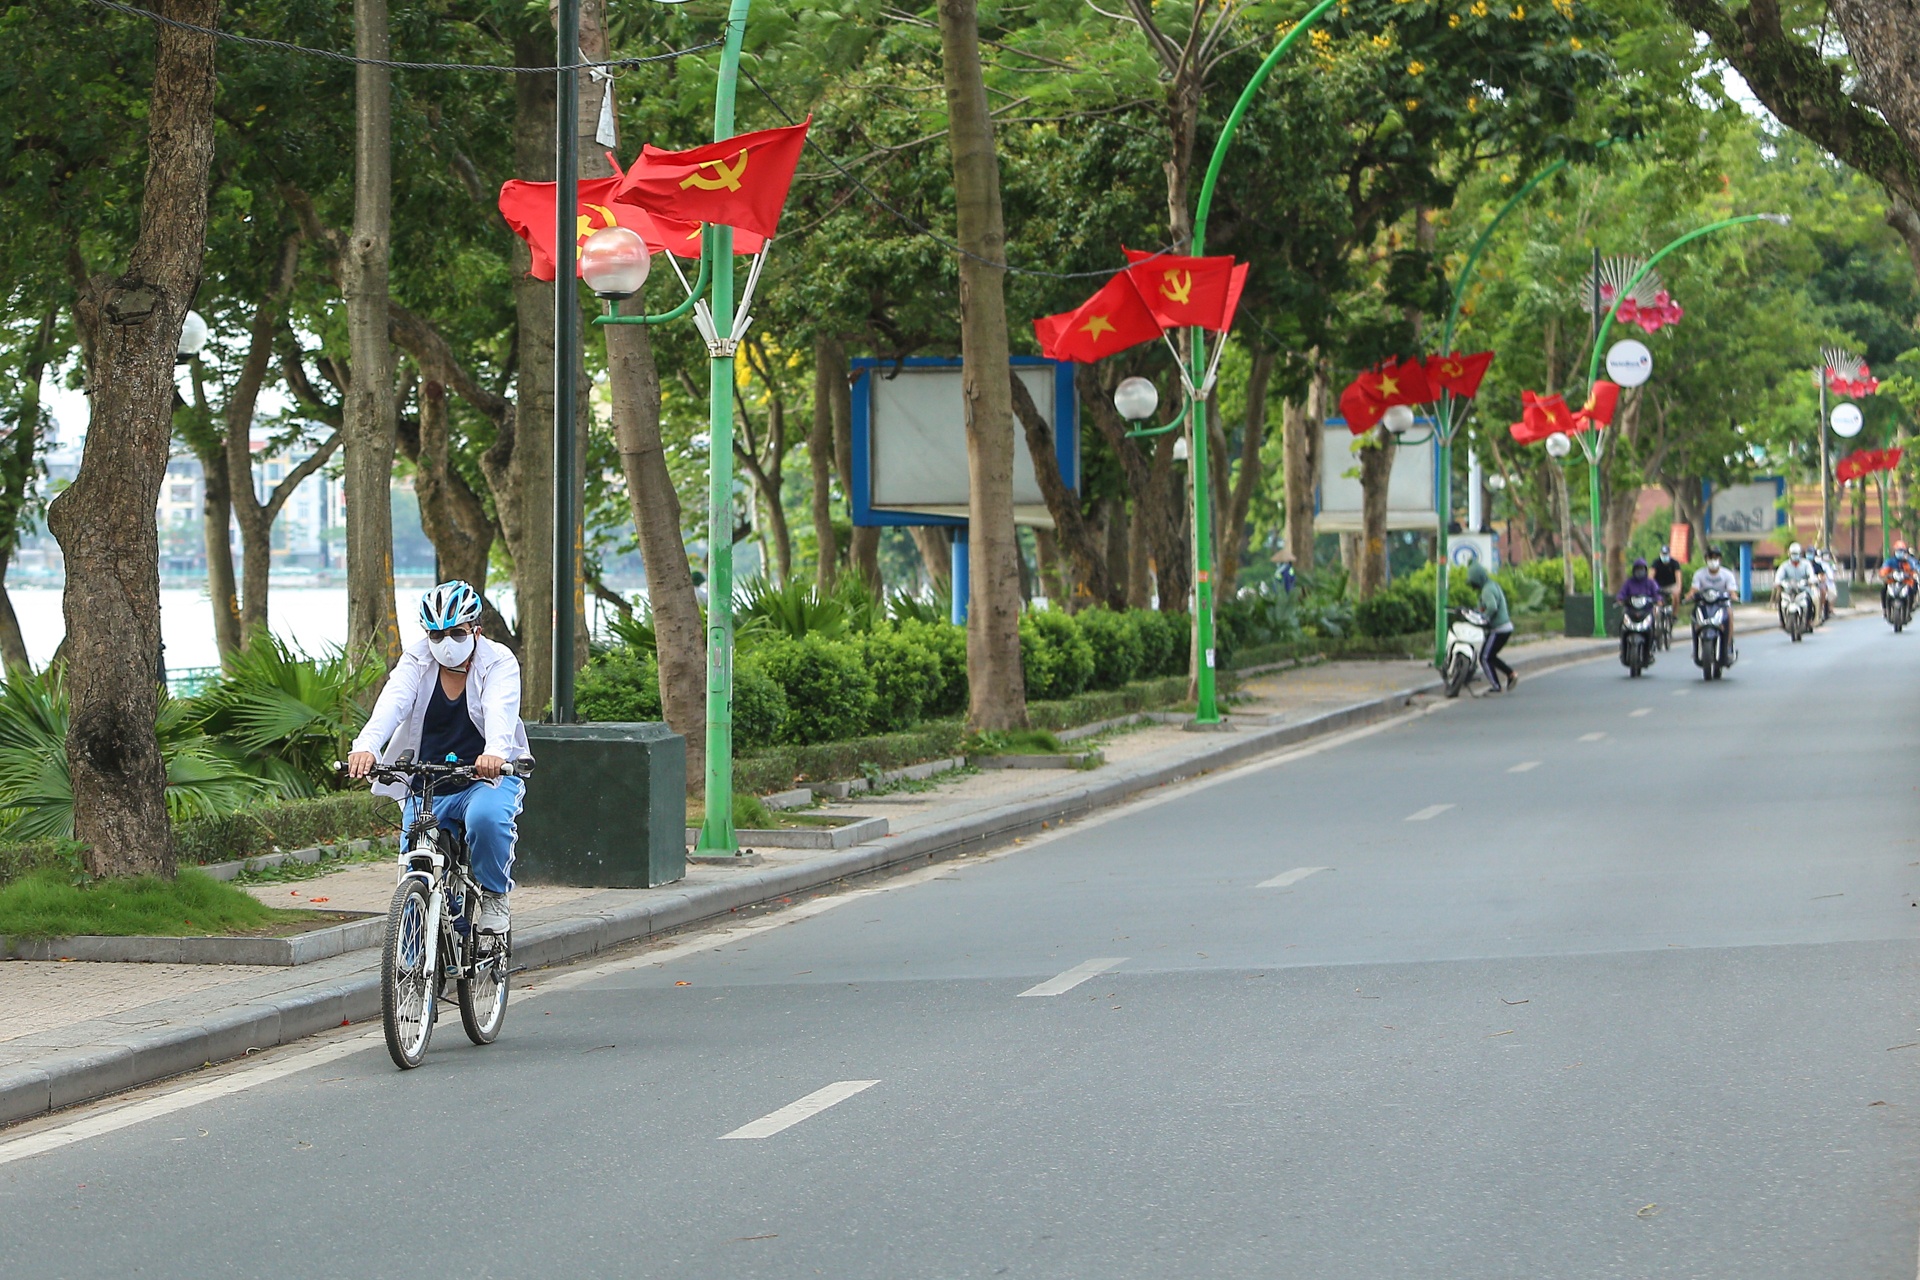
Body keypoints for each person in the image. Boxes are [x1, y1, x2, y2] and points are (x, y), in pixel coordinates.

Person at [347, 581, 529, 935]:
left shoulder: (499, 661)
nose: (446, 643)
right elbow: (392, 702)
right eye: (436, 634)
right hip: (427, 781)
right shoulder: (416, 659)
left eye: (456, 633)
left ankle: (494, 896)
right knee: (415, 860)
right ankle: (413, 960)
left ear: (476, 629)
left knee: (487, 820)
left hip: (484, 778)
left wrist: (493, 752)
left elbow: (499, 709)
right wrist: (366, 746)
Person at [1466, 564, 1516, 693]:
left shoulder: (1487, 590)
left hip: (1498, 629)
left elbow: (1492, 607)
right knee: (1491, 656)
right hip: (1506, 627)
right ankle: (1510, 674)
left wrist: (1484, 617)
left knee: (1484, 657)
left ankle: (1496, 685)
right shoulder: (1492, 585)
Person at [1690, 544, 1740, 659]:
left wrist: (1734, 597)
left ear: (1720, 559)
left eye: (1715, 557)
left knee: (1730, 614)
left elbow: (1732, 591)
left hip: (1721, 604)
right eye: (1710, 557)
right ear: (1706, 559)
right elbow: (1694, 590)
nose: (1713, 560)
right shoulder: (1699, 574)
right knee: (1694, 615)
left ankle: (1728, 646)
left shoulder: (1727, 574)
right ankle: (1696, 648)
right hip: (1704, 604)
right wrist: (1690, 596)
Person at [1650, 544, 1684, 615]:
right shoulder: (1656, 563)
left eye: (1666, 554)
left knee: (1676, 596)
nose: (1664, 556)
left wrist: (1678, 588)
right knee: (1654, 601)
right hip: (1658, 586)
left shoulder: (1674, 563)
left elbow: (1678, 577)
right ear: (1660, 554)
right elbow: (1650, 577)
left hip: (1671, 585)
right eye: (1663, 554)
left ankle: (1674, 615)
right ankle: (1654, 619)